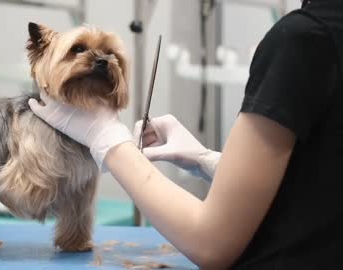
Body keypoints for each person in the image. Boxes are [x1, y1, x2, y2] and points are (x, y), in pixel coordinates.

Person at [29, 0, 343, 268]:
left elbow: (211, 243)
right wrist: (209, 161)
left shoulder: (305, 39)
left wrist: (107, 139)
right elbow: (318, 184)